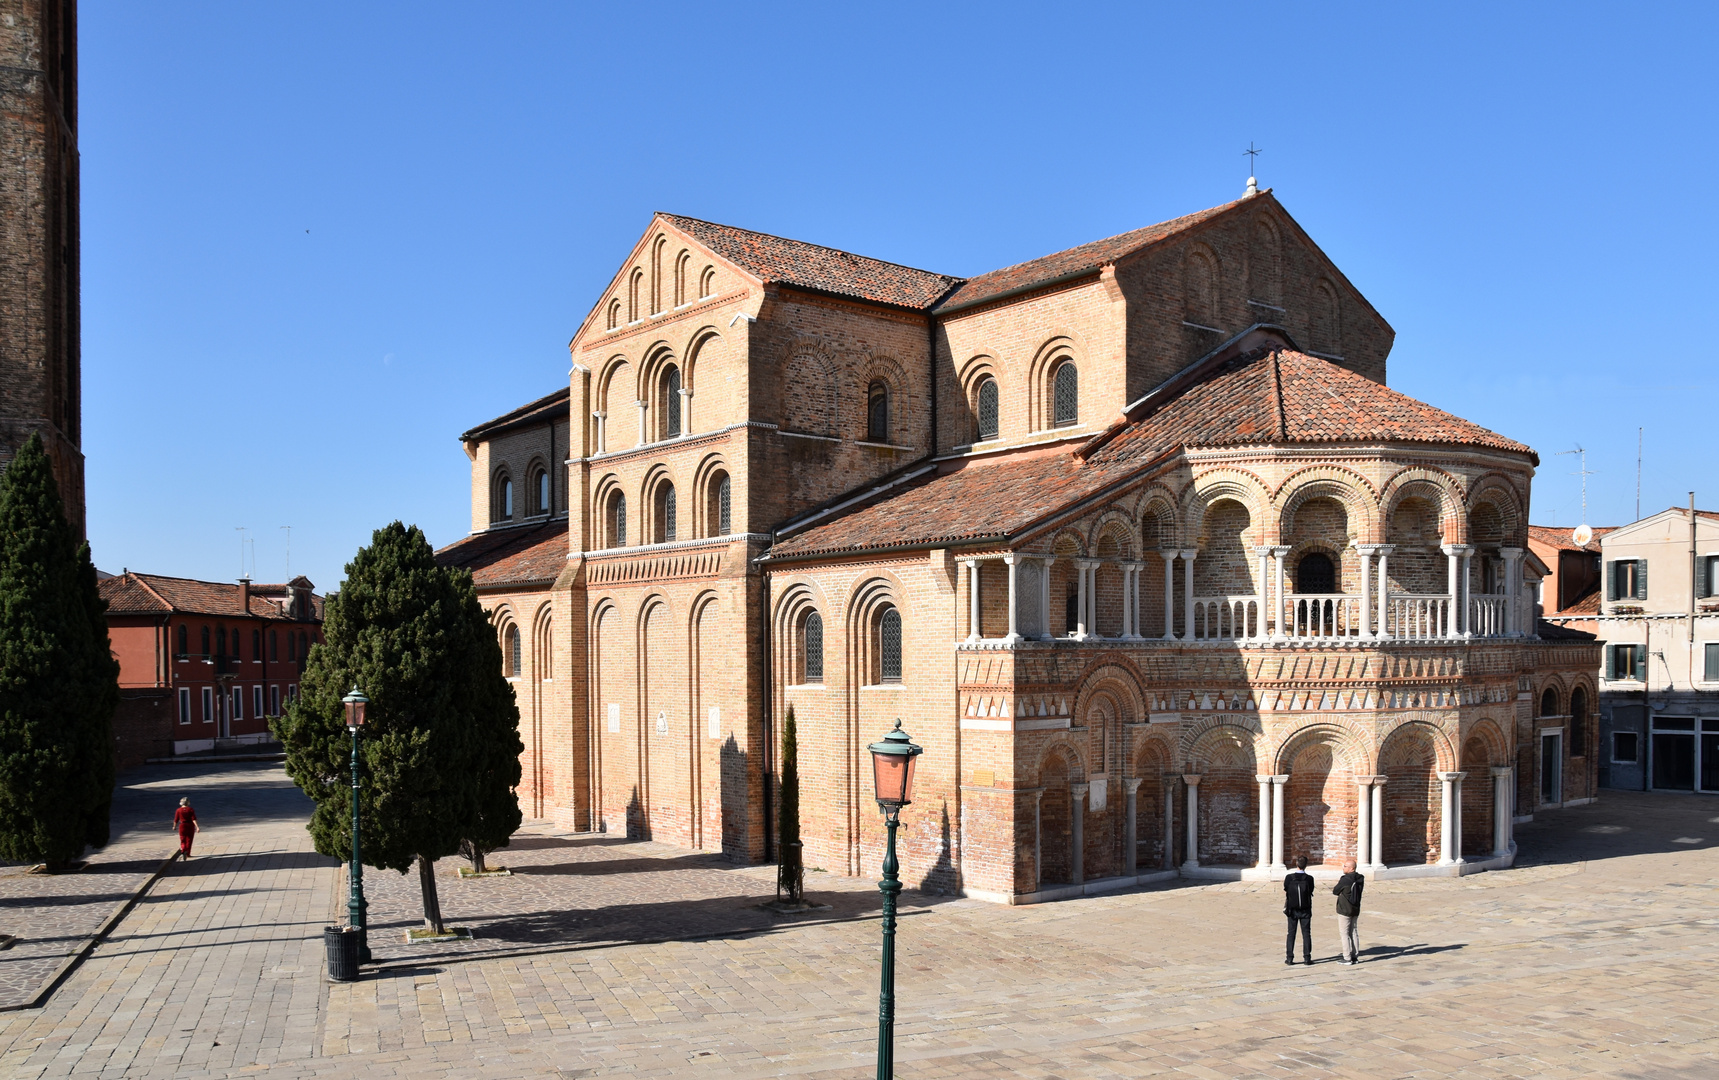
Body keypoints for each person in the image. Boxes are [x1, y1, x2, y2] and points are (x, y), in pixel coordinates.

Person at [1333, 857, 1365, 964]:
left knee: (1344, 933)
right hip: (1355, 908)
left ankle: (1347, 957)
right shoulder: (1360, 878)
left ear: (1351, 868)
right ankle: (1355, 955)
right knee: (1354, 932)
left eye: (1345, 866)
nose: (1343, 868)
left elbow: (1335, 890)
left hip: (1345, 909)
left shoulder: (1345, 879)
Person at [1283, 855, 1314, 965]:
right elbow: (1311, 890)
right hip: (1305, 909)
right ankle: (1307, 958)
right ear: (1306, 865)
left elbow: (1286, 888)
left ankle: (1290, 958)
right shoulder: (1309, 878)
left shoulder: (1289, 878)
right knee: (1306, 933)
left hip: (1292, 909)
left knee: (1291, 933)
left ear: (1296, 864)